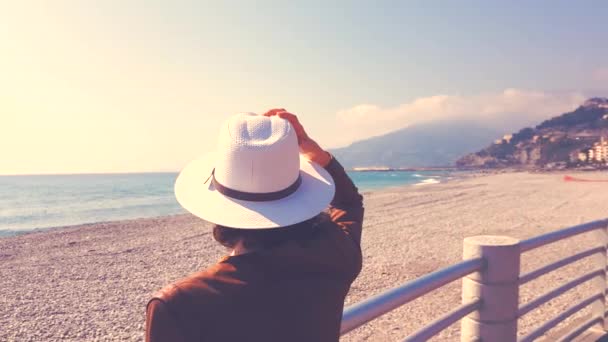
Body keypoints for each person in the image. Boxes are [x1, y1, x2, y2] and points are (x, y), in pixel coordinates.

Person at [145, 109, 364, 342]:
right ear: (299, 196)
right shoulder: (337, 256)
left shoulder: (179, 304)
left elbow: (350, 204)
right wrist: (317, 154)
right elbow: (349, 203)